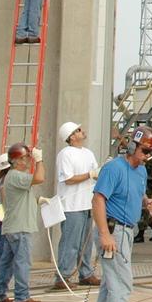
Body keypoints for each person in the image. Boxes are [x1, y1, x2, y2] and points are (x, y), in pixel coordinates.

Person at [91, 125, 152, 302]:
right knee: (121, 284)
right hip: (114, 231)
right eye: (144, 151)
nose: (147, 156)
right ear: (131, 146)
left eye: (150, 152)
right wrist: (104, 234)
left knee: (109, 286)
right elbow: (98, 200)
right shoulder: (113, 169)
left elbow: (137, 193)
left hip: (127, 231)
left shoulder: (140, 171)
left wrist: (146, 202)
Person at [0, 143, 45, 302]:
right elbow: (39, 178)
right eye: (26, 158)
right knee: (23, 262)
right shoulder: (16, 176)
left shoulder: (11, 177)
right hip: (21, 227)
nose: (28, 160)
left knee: (6, 263)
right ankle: (21, 296)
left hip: (13, 226)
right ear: (18, 160)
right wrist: (39, 160)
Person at [53, 121, 100, 289]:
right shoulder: (65, 154)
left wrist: (99, 172)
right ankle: (62, 277)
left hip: (87, 203)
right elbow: (68, 179)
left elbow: (95, 173)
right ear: (71, 136)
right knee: (70, 243)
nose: (82, 131)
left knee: (86, 243)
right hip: (71, 205)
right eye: (78, 130)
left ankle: (85, 274)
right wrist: (89, 174)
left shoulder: (88, 153)